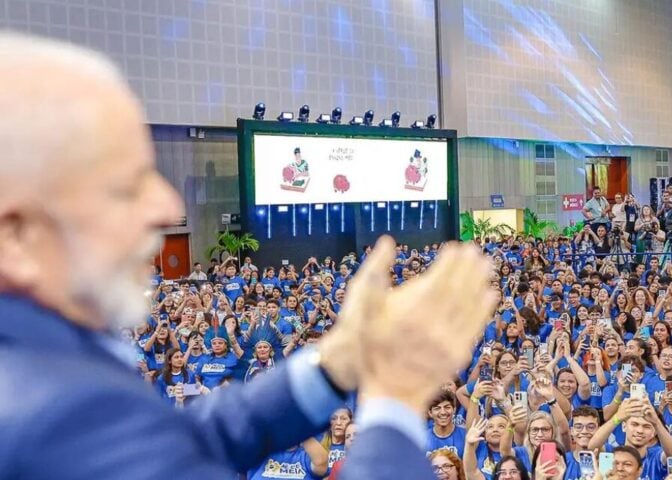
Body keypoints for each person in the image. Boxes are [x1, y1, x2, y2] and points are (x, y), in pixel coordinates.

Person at [0, 33, 498, 479]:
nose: (169, 206)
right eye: (125, 187)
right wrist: (395, 400)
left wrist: (335, 361)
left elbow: (179, 444)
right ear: (19, 235)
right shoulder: (52, 417)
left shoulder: (44, 373)